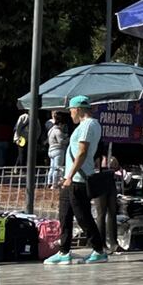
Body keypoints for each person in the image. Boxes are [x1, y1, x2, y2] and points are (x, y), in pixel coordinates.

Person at [44, 96, 106, 265]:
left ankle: (99, 249)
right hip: (69, 178)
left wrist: (70, 175)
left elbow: (82, 152)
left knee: (82, 216)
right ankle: (64, 251)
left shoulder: (89, 125)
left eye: (71, 110)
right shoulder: (83, 126)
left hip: (77, 178)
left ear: (78, 109)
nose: (70, 114)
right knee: (64, 215)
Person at [91, 151, 119, 255]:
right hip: (99, 180)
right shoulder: (94, 153)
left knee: (112, 211)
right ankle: (101, 244)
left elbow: (116, 167)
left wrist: (113, 163)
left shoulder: (110, 153)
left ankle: (114, 243)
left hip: (110, 179)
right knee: (101, 214)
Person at [46, 111, 70, 187]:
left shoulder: (50, 130)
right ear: (60, 124)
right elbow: (61, 141)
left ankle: (49, 182)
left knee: (51, 168)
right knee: (57, 168)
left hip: (50, 150)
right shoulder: (57, 131)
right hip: (58, 150)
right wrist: (68, 139)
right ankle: (54, 184)